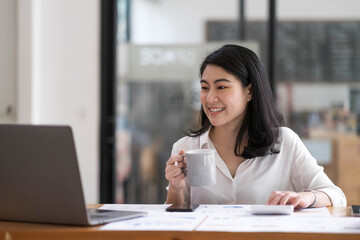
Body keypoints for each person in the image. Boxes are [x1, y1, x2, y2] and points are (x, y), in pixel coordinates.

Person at [165, 44, 346, 208]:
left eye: (221, 87)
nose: (210, 98)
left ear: (249, 91)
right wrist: (176, 187)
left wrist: (306, 197)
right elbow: (175, 216)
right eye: (205, 88)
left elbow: (336, 196)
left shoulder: (283, 142)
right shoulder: (185, 148)